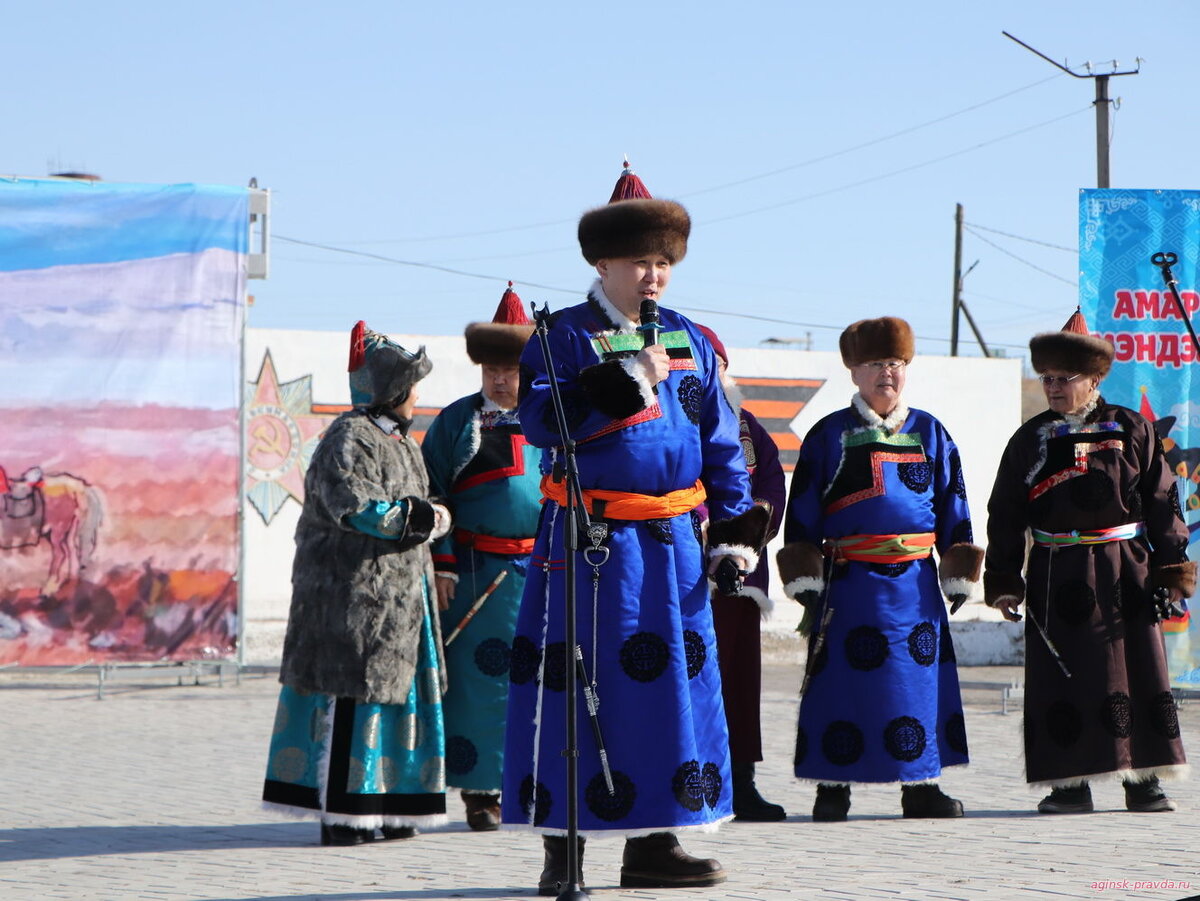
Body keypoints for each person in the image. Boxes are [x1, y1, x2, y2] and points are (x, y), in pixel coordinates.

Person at [500, 186, 769, 893]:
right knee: (581, 684)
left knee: (669, 688)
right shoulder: (562, 335)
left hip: (675, 540)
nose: (653, 276)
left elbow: (721, 443)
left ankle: (654, 840)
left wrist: (734, 532)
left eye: (663, 262)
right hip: (593, 539)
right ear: (602, 262)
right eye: (639, 261)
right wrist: (624, 379)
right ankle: (566, 852)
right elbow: (542, 422)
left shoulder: (689, 338)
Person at [984, 310, 1192, 814]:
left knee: (1136, 669)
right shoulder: (1029, 440)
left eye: (1064, 379)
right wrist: (1006, 579)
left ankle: (1143, 781)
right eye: (1047, 378)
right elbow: (1005, 512)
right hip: (1057, 571)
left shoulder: (1131, 429)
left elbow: (1164, 500)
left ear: (1095, 378)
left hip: (1126, 568)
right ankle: (1068, 784)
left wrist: (1172, 575)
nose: (1053, 388)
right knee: (1064, 675)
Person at [776, 316, 981, 821]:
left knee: (918, 683)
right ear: (854, 371)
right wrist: (805, 576)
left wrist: (957, 567)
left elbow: (955, 502)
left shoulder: (931, 431)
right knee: (841, 684)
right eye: (875, 364)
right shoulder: (827, 435)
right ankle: (832, 787)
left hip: (915, 585)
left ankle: (921, 786)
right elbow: (800, 510)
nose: (887, 373)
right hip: (850, 583)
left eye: (895, 363)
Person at [262, 321, 451, 845]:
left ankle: (389, 806)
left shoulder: (402, 442)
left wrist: (429, 517)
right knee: (352, 695)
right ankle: (345, 814)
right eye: (412, 385)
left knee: (399, 697)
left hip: (400, 598)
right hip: (352, 596)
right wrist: (425, 518)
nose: (418, 395)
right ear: (393, 390)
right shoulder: (348, 438)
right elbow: (355, 504)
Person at [421, 283, 540, 832]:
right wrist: (442, 564)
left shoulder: (553, 422)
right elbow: (432, 495)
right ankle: (480, 793)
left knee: (540, 681)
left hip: (541, 575)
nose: (499, 378)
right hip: (474, 577)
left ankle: (532, 786)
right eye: (491, 367)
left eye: (510, 368)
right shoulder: (455, 422)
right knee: (480, 683)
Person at [694, 323, 787, 822]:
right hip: (683, 575)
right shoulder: (668, 421)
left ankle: (741, 784)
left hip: (740, 578)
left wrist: (739, 543)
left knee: (739, 680)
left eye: (720, 365)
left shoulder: (748, 428)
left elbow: (770, 491)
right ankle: (691, 781)